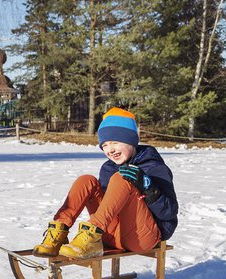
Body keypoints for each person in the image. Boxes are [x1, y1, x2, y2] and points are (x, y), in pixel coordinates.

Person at [33, 107, 178, 260]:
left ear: (131, 141)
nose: (110, 150)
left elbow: (169, 213)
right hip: (109, 235)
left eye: (115, 142)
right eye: (105, 145)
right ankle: (58, 233)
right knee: (86, 180)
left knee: (121, 178)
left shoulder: (154, 167)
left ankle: (92, 232)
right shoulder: (108, 168)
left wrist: (148, 188)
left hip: (141, 238)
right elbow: (107, 207)